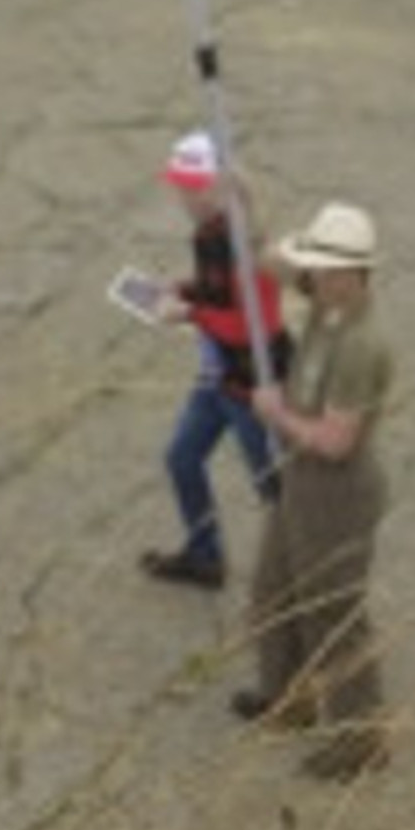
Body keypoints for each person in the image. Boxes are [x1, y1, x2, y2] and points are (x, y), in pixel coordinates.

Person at [234, 201, 396, 780]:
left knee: (332, 611)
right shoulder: (326, 302)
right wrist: (244, 200)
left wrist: (276, 413)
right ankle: (287, 697)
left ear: (357, 275)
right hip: (301, 478)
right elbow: (271, 261)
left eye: (329, 271)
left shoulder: (360, 343)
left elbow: (335, 442)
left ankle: (359, 739)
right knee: (273, 590)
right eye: (317, 269)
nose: (316, 279)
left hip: (335, 489)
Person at [142, 131, 284, 589]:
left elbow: (250, 327)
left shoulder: (243, 242)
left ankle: (306, 576)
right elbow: (215, 289)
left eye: (192, 186)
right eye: (180, 185)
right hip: (216, 375)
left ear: (218, 186)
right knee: (182, 458)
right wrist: (183, 288)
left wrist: (188, 312)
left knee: (274, 488)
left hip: (250, 385)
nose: (182, 194)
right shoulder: (210, 233)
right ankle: (205, 556)